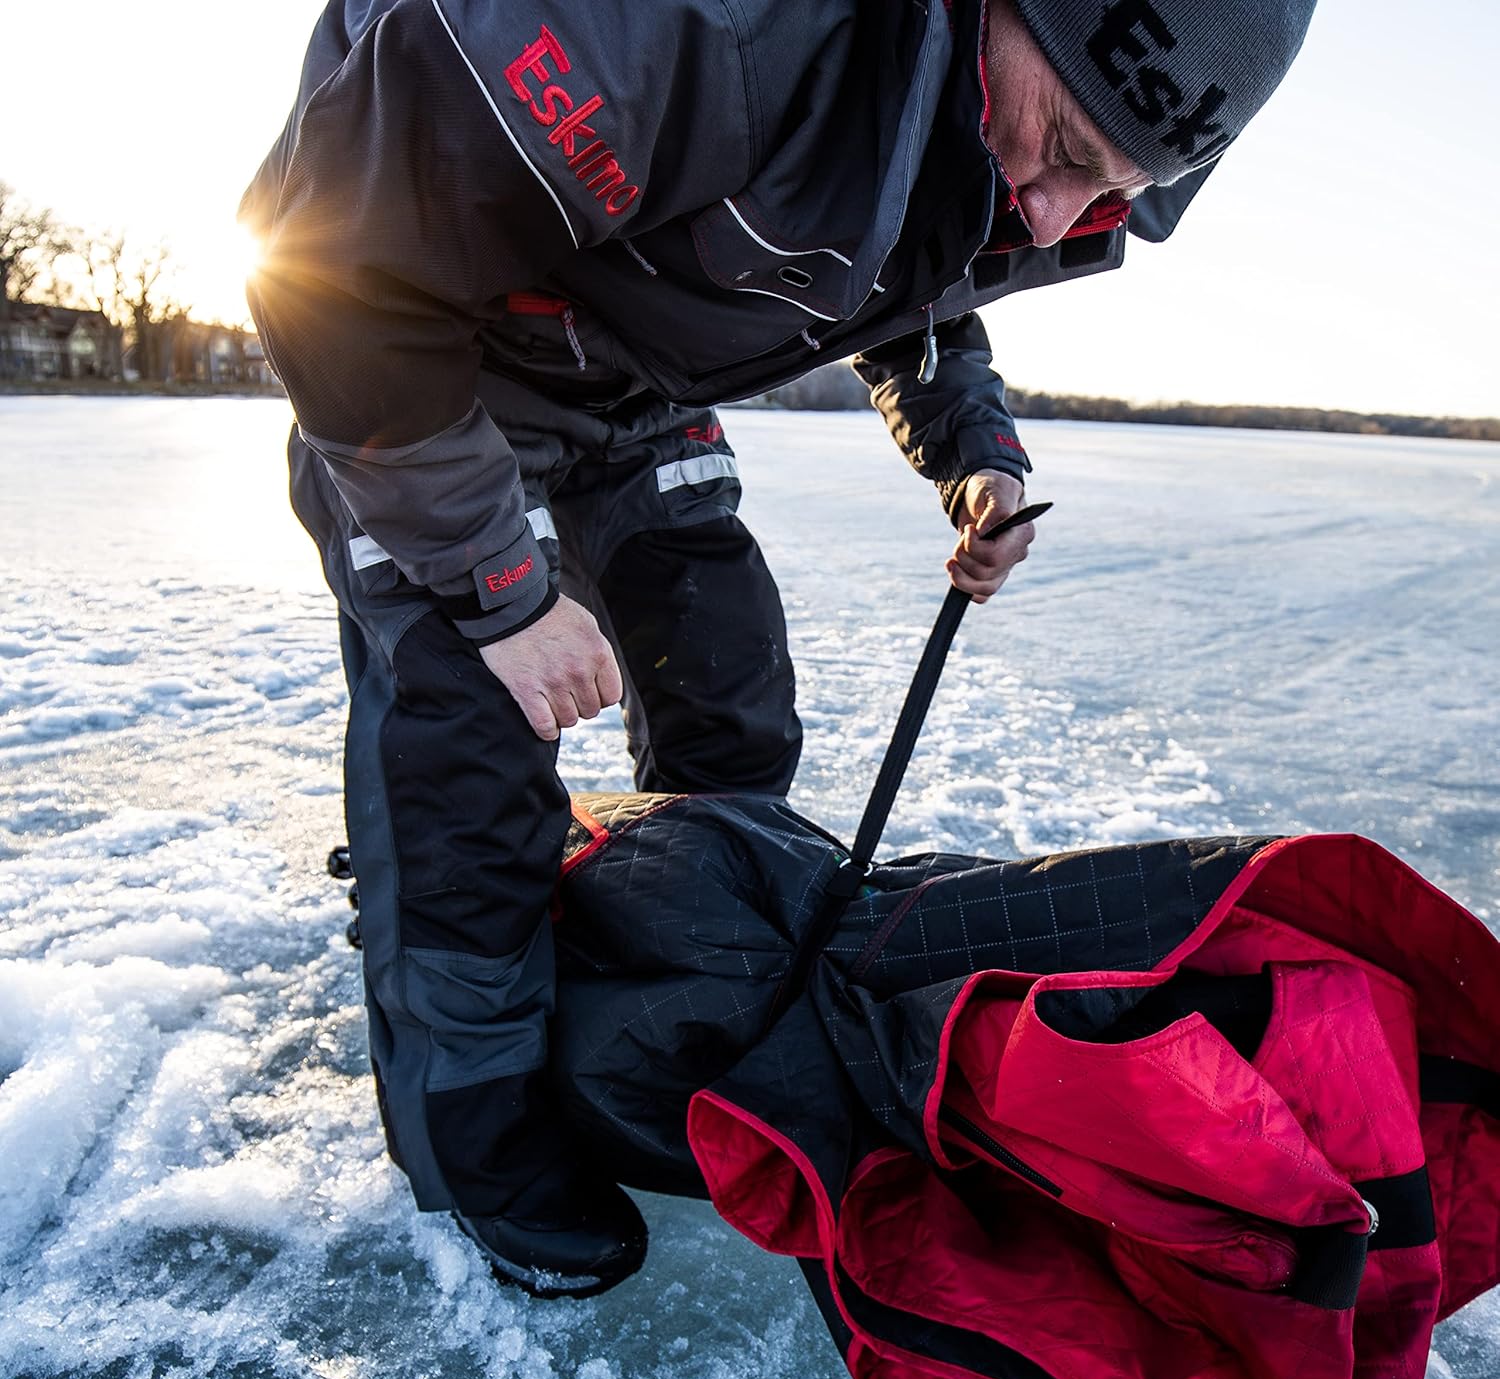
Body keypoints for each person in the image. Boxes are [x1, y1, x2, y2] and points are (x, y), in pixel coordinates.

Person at [241, 0, 1317, 1297]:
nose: (1050, 212)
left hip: (631, 389)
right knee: (465, 759)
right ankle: (468, 1135)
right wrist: (502, 594)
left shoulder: (992, 139)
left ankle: (670, 981)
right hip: (422, 364)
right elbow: (341, 254)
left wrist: (978, 458)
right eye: (1064, 143)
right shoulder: (689, 25)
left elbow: (919, 287)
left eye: (1112, 188)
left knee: (730, 699)